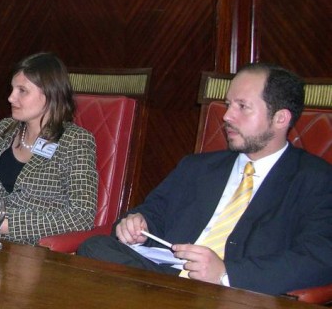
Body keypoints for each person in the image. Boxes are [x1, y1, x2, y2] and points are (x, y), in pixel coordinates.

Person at [77, 63, 332, 295]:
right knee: (96, 247)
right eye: (228, 104)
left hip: (237, 293)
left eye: (242, 106)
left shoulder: (315, 180)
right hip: (164, 278)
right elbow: (155, 211)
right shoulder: (198, 167)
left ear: (280, 118)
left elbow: (319, 258)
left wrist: (225, 272)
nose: (226, 116)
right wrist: (138, 224)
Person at [0, 52, 98, 245]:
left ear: (50, 94)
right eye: (12, 89)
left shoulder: (75, 141)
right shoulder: (4, 130)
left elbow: (82, 215)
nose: (11, 98)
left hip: (38, 252)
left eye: (22, 90)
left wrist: (8, 224)